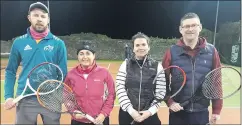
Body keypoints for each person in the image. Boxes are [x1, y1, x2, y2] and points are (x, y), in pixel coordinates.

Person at [4, 2, 68, 125]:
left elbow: (63, 75)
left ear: (48, 20)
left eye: (43, 16)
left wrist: (62, 98)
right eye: (36, 15)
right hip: (26, 98)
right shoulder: (19, 42)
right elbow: (10, 71)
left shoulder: (58, 43)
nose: (39, 19)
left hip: (51, 98)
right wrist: (8, 96)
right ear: (29, 18)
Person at [162, 12, 223, 125]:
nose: (190, 29)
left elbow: (216, 82)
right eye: (187, 26)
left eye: (194, 25)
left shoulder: (212, 51)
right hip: (178, 112)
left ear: (200, 27)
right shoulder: (171, 51)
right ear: (181, 29)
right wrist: (170, 102)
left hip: (201, 112)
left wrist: (216, 110)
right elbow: (162, 81)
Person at [116, 32, 166, 125]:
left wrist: (150, 112)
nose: (141, 47)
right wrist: (131, 111)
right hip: (127, 114)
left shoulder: (157, 66)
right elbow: (120, 88)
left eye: (143, 44)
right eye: (137, 45)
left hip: (149, 115)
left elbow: (161, 92)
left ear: (148, 47)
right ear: (133, 48)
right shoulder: (125, 64)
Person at [64, 44, 116, 125]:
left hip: (100, 119)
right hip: (78, 121)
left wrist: (103, 114)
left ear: (94, 55)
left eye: (88, 53)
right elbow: (66, 95)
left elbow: (111, 95)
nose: (84, 57)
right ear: (77, 56)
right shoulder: (71, 74)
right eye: (81, 54)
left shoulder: (104, 73)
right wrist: (73, 111)